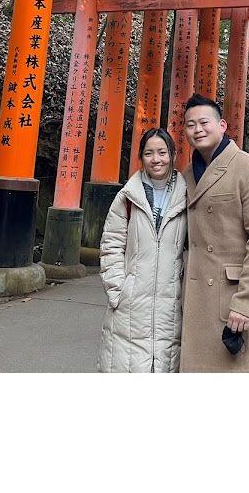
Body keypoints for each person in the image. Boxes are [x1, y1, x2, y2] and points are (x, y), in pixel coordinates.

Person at [179, 93, 249, 373]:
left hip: (234, 300)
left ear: (222, 125)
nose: (197, 130)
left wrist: (246, 304)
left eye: (203, 122)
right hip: (199, 299)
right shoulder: (187, 175)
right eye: (190, 125)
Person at [97, 128, 187, 373]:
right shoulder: (128, 197)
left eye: (162, 152)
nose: (156, 159)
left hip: (171, 301)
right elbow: (111, 244)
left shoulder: (188, 195)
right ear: (141, 157)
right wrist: (118, 289)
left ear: (173, 155)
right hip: (130, 303)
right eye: (149, 153)